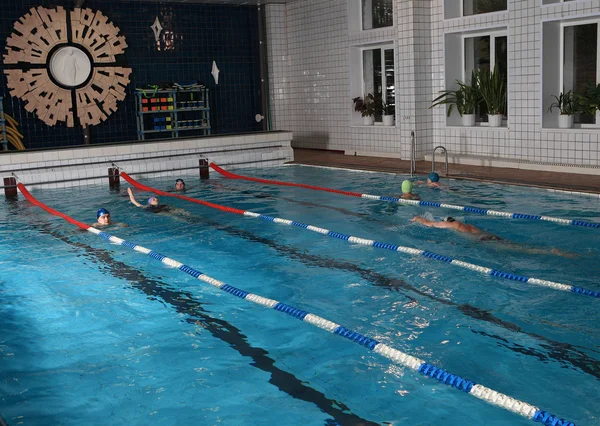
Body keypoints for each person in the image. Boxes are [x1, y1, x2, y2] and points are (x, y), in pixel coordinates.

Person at [411, 215, 574, 257]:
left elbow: (430, 224)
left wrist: (419, 219)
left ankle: (550, 251)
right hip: (491, 236)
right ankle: (547, 250)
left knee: (522, 251)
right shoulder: (469, 226)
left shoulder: (453, 225)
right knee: (517, 246)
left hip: (485, 241)